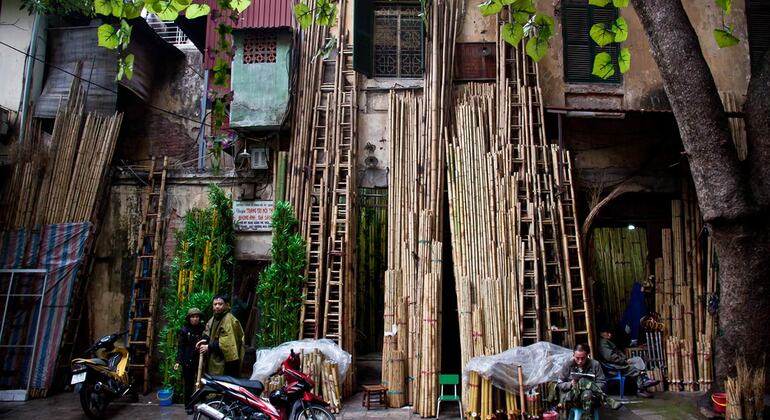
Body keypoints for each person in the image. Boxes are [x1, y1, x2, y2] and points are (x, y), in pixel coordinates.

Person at [558, 343, 621, 419]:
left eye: (583, 358)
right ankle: (607, 399)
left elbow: (602, 383)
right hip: (572, 398)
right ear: (573, 355)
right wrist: (571, 384)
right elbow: (560, 384)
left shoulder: (595, 364)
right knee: (583, 381)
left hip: (591, 398)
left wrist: (590, 386)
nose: (580, 361)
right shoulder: (567, 365)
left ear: (588, 355)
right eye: (577, 358)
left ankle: (588, 417)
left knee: (587, 392)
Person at [597, 327, 659, 398]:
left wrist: (625, 359)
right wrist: (624, 361)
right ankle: (641, 388)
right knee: (635, 368)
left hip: (619, 363)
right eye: (607, 333)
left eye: (610, 333)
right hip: (613, 367)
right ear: (601, 334)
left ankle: (644, 379)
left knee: (638, 359)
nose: (610, 334)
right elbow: (610, 357)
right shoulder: (603, 343)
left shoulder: (607, 341)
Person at [198, 294, 245, 377]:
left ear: (227, 305)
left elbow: (227, 343)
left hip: (227, 361)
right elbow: (207, 331)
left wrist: (209, 346)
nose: (217, 306)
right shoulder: (213, 318)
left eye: (220, 304)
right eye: (215, 304)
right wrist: (204, 341)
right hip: (214, 357)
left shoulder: (229, 319)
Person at [176, 307, 205, 413]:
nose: (195, 319)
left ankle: (204, 404)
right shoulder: (185, 330)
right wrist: (178, 361)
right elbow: (181, 347)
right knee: (188, 385)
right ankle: (189, 405)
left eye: (197, 316)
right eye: (193, 317)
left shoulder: (203, 328)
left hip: (201, 361)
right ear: (189, 318)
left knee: (202, 383)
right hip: (188, 361)